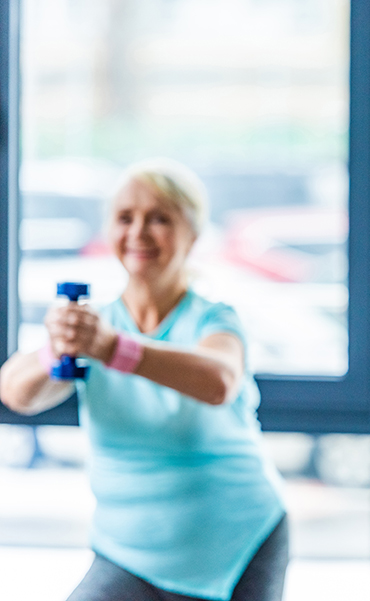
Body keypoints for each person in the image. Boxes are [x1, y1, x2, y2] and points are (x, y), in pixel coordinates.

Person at [0, 159, 287, 601]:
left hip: (232, 542)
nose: (139, 232)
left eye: (160, 219)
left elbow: (219, 381)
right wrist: (57, 346)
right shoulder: (95, 326)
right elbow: (16, 392)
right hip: (125, 553)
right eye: (125, 218)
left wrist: (113, 347)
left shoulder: (212, 318)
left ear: (191, 234)